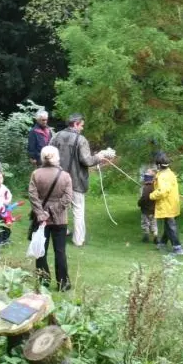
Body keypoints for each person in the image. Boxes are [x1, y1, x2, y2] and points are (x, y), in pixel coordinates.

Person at [49, 113, 109, 246]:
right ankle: (78, 240)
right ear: (75, 124)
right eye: (81, 125)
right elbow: (87, 161)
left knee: (60, 208)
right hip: (75, 181)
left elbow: (48, 156)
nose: (82, 128)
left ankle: (59, 234)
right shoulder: (81, 140)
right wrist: (99, 157)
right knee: (78, 210)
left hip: (57, 179)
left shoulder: (56, 136)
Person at [28, 145, 73, 291]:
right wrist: (53, 211)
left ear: (42, 157)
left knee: (41, 251)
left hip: (41, 219)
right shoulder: (65, 176)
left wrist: (42, 214)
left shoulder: (36, 174)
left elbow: (32, 196)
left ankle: (43, 282)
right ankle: (63, 283)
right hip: (60, 219)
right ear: (57, 157)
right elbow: (68, 198)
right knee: (60, 251)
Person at [149, 153, 183, 255]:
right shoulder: (169, 173)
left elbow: (162, 191)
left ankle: (177, 248)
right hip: (172, 203)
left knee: (170, 226)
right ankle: (162, 243)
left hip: (167, 204)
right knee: (168, 225)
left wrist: (152, 195)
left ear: (159, 165)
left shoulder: (163, 176)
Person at [137, 169, 158, 244]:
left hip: (146, 210)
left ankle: (146, 236)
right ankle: (155, 235)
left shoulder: (146, 187)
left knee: (145, 223)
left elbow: (144, 198)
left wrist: (139, 203)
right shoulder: (155, 186)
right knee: (153, 223)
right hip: (153, 209)